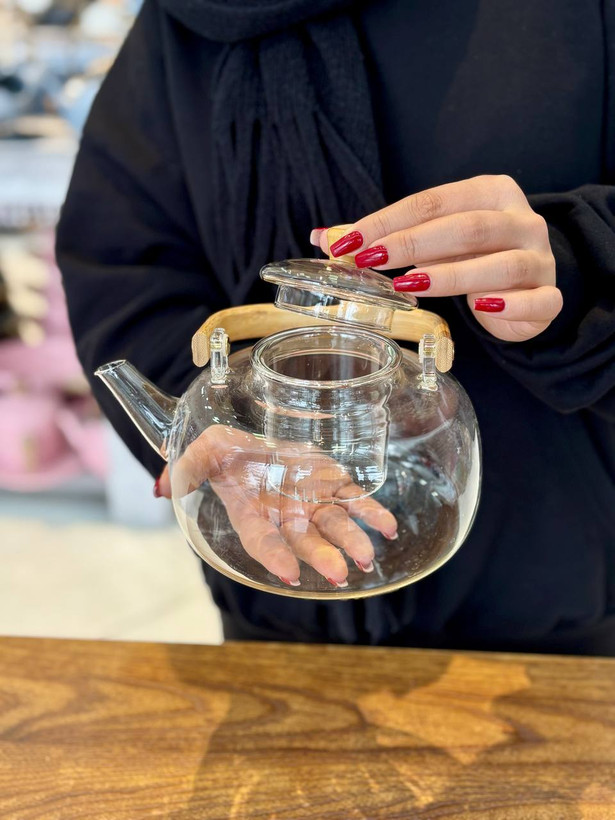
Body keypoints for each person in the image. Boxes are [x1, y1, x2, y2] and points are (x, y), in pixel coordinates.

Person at [56, 0, 615, 655]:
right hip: (277, 590)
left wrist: (574, 262)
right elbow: (122, 258)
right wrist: (209, 418)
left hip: (553, 592)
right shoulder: (187, 20)